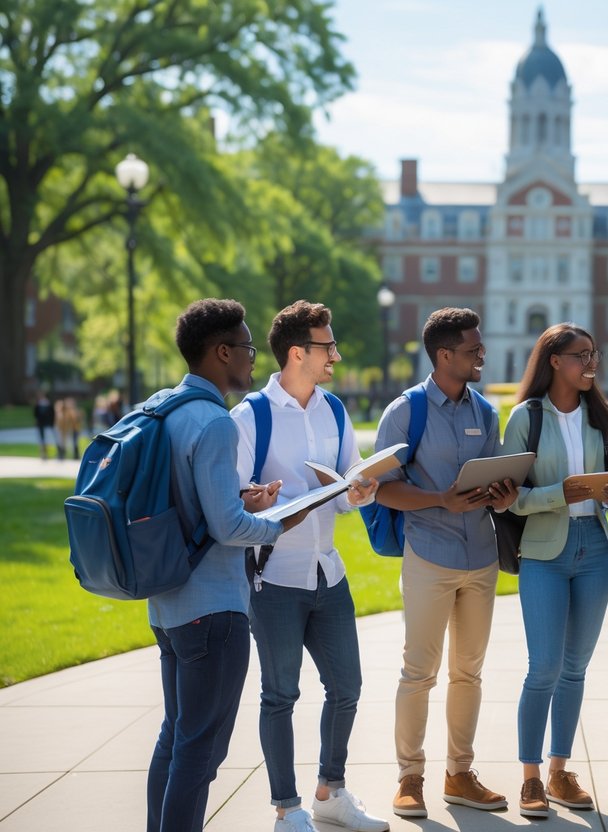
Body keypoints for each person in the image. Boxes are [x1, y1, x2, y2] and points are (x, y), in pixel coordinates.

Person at [147, 298, 308, 832]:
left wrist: (243, 500)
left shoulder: (165, 409)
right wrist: (277, 523)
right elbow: (226, 528)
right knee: (201, 749)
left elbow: (195, 501)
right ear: (221, 352)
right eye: (246, 348)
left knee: (175, 736)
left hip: (168, 603)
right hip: (213, 609)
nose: (253, 358)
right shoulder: (215, 422)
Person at [230, 301, 388, 832]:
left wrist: (361, 490)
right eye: (328, 347)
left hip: (328, 573)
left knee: (347, 687)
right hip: (273, 578)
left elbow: (345, 490)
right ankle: (286, 808)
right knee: (280, 695)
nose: (336, 356)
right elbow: (232, 504)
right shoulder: (250, 415)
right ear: (298, 352)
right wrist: (257, 500)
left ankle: (330, 792)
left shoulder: (335, 410)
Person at [372, 307, 518, 819]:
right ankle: (410, 777)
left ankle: (460, 774)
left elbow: (498, 478)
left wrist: (502, 494)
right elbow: (381, 490)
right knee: (419, 672)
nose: (482, 355)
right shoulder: (405, 411)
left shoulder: (485, 411)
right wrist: (440, 501)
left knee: (469, 672)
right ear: (444, 355)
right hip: (429, 556)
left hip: (480, 558)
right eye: (474, 349)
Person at [500, 323, 608, 818]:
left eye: (594, 355)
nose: (590, 363)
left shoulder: (603, 418)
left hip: (594, 547)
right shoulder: (526, 418)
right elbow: (508, 498)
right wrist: (560, 494)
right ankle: (530, 778)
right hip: (544, 554)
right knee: (544, 668)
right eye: (581, 356)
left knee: (575, 669)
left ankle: (559, 770)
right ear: (554, 360)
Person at [32, 390, 54, 460]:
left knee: (47, 439)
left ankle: (47, 453)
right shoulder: (38, 404)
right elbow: (35, 414)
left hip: (47, 424)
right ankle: (43, 454)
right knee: (41, 439)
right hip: (40, 424)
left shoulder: (48, 404)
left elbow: (52, 414)